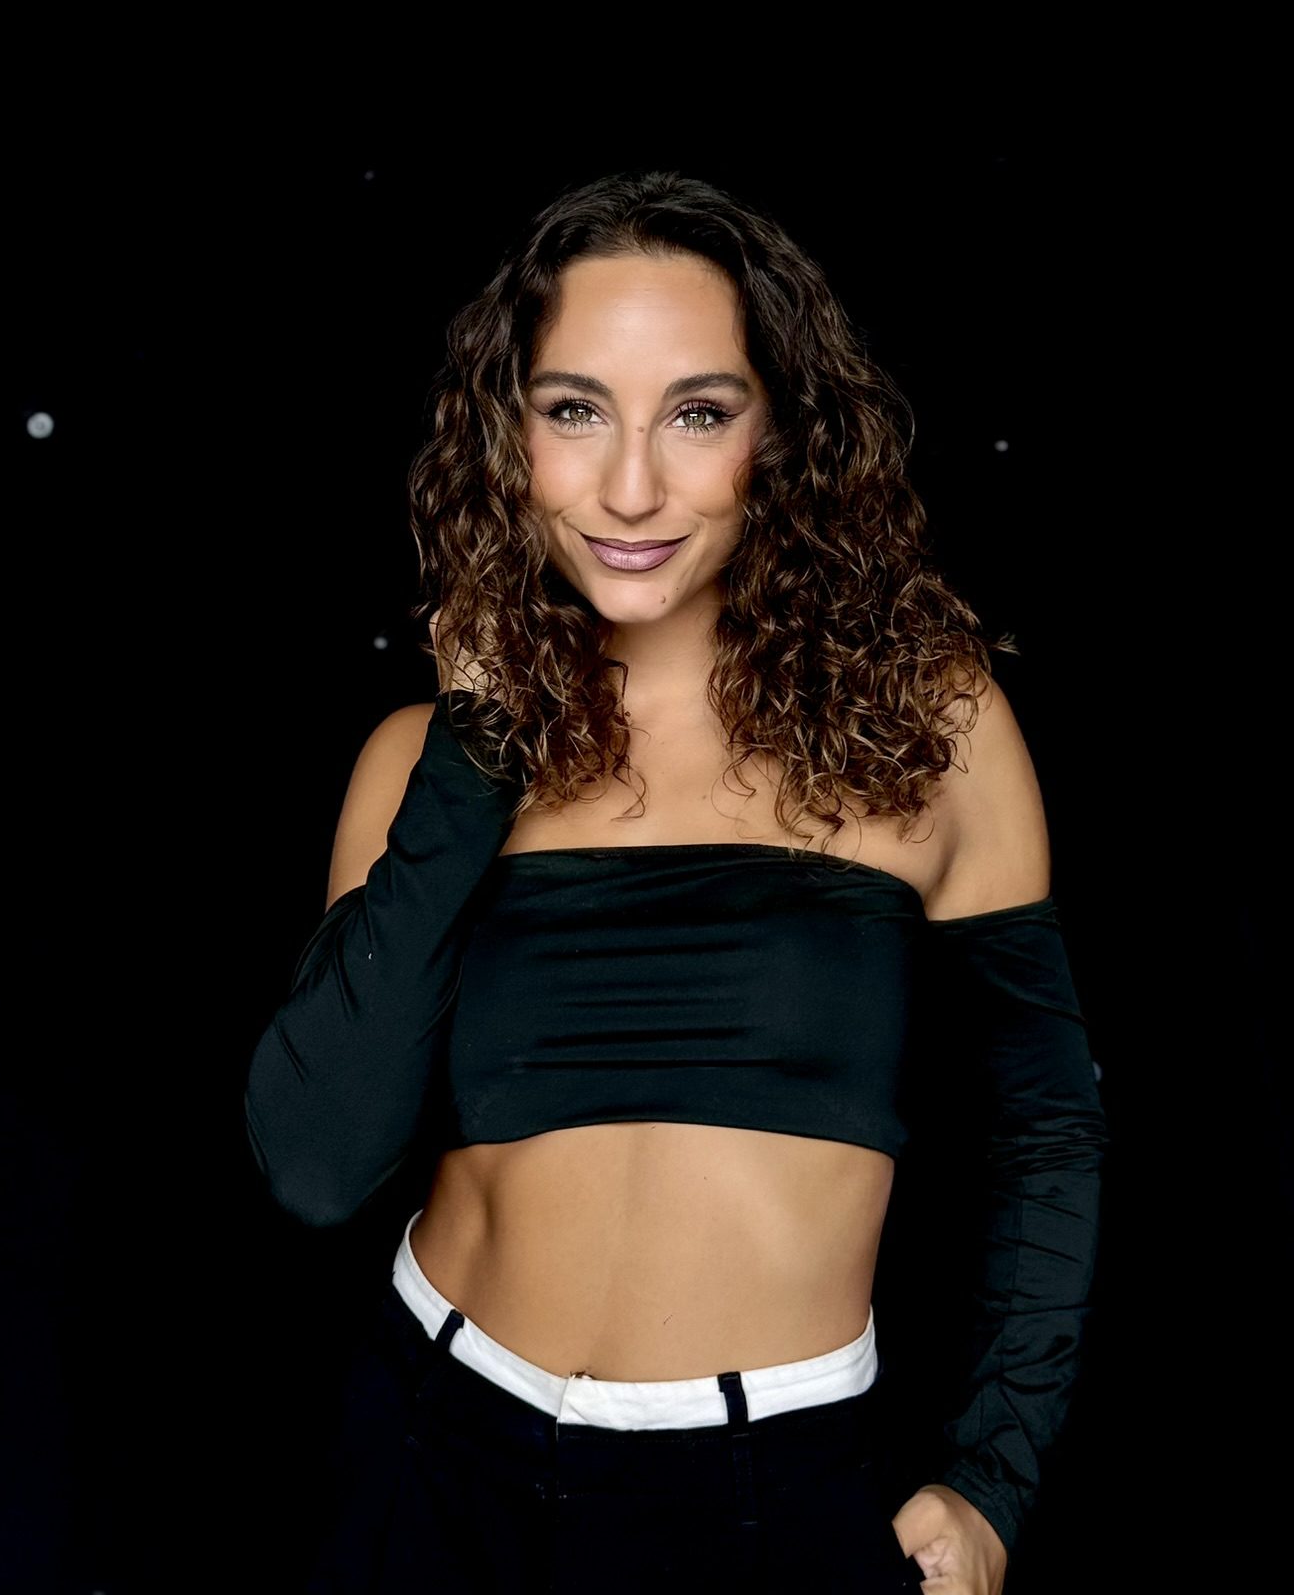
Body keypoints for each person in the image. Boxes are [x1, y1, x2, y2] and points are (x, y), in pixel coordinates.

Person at [243, 169, 1109, 1593]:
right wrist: (476, 753)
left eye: (697, 413)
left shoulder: (929, 733)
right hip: (428, 1458)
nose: (632, 487)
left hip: (771, 1490)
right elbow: (319, 1166)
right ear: (505, 433)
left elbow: (1046, 1128)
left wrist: (994, 1478)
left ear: (783, 434)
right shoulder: (421, 759)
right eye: (574, 410)